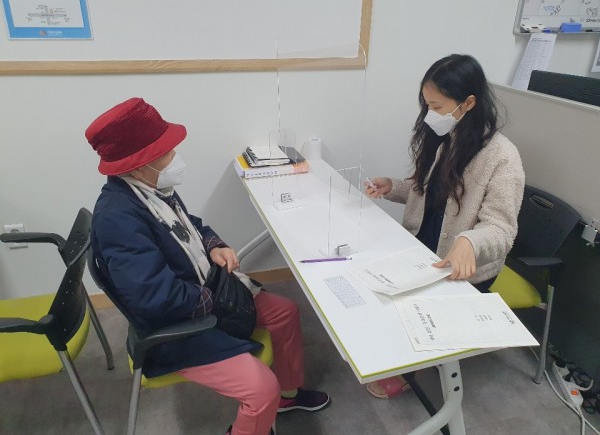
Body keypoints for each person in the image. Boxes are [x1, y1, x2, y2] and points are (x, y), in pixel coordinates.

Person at [86, 97, 330, 435]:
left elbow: (191, 225)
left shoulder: (151, 189)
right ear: (140, 164)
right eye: (167, 152)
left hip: (201, 291)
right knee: (261, 390)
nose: (175, 157)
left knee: (285, 313)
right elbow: (153, 297)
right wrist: (216, 300)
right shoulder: (118, 218)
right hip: (174, 326)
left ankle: (288, 398)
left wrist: (215, 245)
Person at [364, 54, 525, 399]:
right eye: (426, 104)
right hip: (423, 246)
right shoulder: (447, 137)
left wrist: (470, 241)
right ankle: (400, 351)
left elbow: (501, 229)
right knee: (373, 285)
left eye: (436, 106)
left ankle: (413, 365)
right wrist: (393, 186)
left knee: (410, 311)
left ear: (468, 103)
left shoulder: (502, 157)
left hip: (460, 264)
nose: (429, 113)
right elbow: (427, 192)